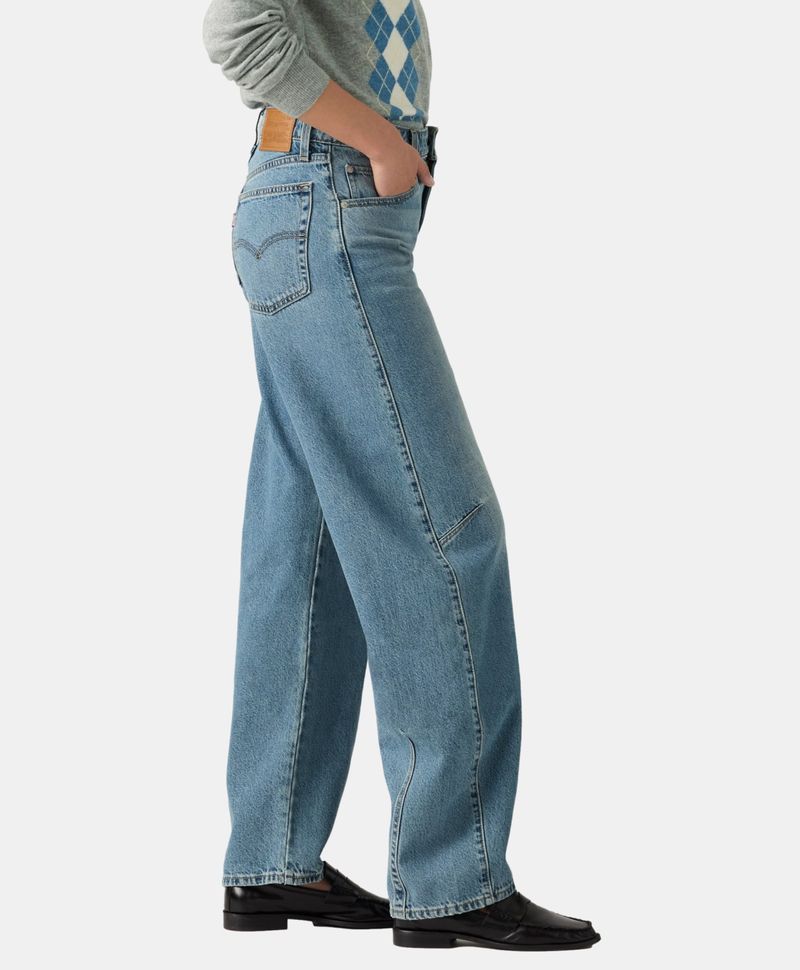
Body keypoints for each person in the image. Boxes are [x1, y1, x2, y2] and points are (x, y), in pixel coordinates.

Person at [202, 0, 599, 951]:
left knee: (309, 550)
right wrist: (380, 140)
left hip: (310, 203)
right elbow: (237, 29)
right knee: (448, 532)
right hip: (331, 200)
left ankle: (272, 858)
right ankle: (451, 876)